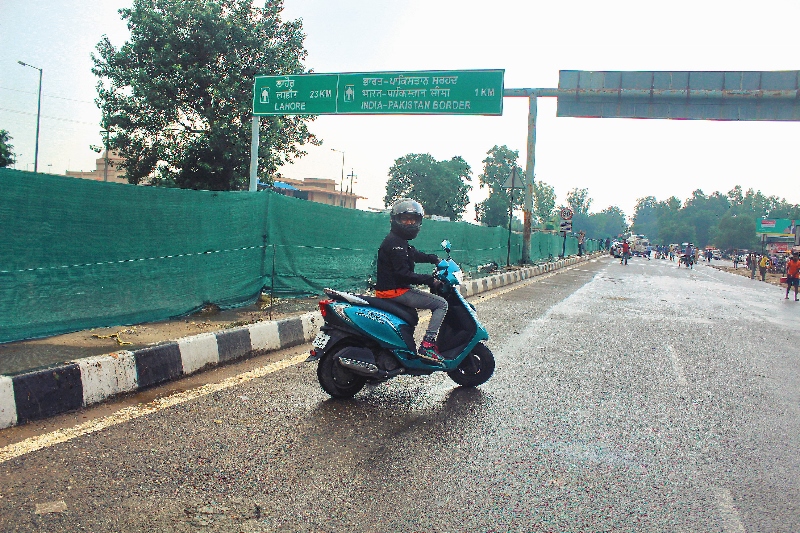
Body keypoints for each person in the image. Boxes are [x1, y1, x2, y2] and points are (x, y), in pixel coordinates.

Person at [376, 198, 448, 363]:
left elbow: (414, 254)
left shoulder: (399, 241)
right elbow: (403, 274)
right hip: (394, 291)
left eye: (413, 219)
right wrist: (431, 280)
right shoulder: (395, 243)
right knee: (441, 304)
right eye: (405, 219)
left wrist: (435, 259)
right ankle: (427, 345)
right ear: (396, 220)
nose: (409, 223)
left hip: (393, 290)